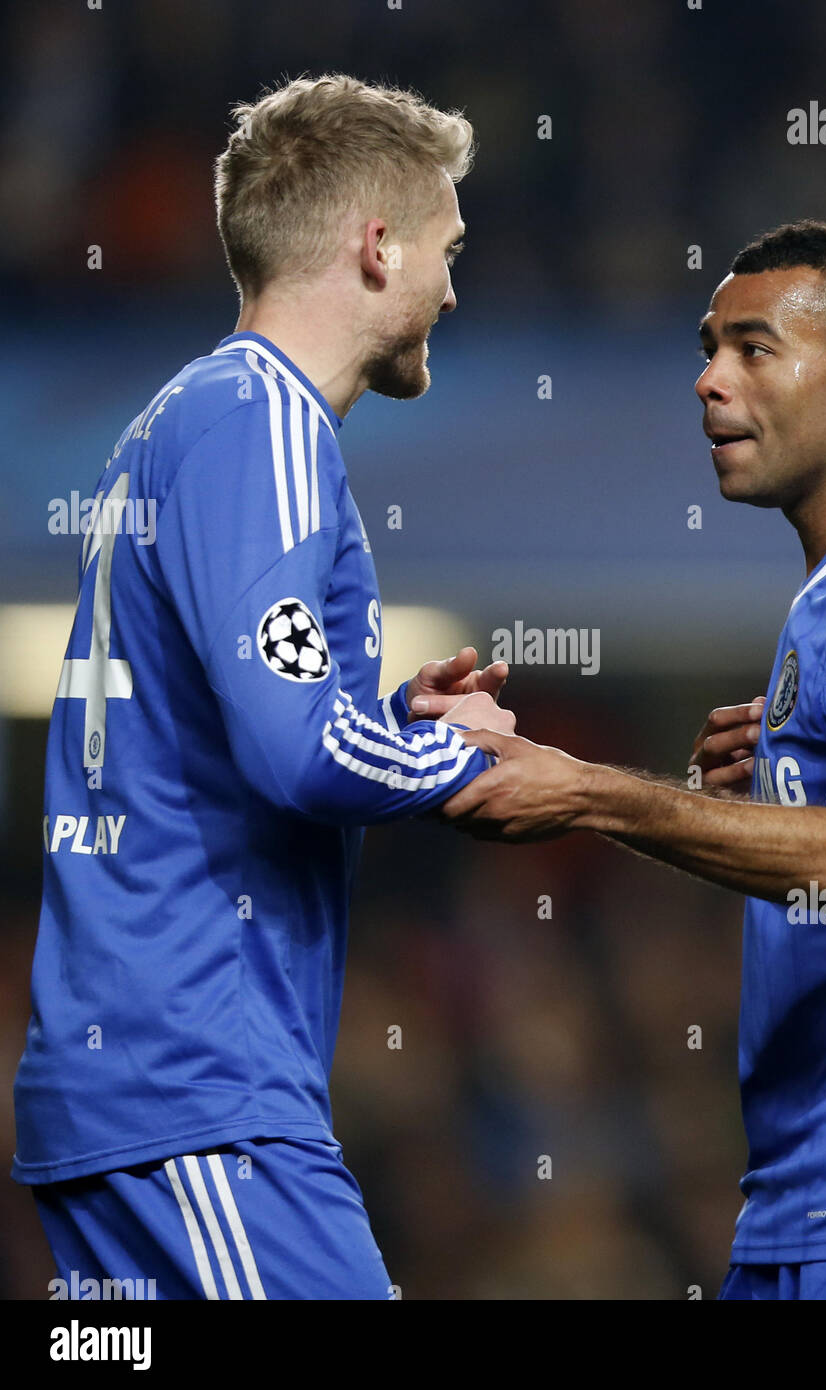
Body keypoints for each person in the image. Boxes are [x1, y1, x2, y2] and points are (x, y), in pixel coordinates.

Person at [440, 220, 826, 1301]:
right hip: (807, 1210)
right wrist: (781, 774)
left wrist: (586, 789)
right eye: (707, 346)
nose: (707, 381)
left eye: (752, 349)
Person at [12, 74, 512, 1301]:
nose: (453, 287)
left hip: (141, 1082)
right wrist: (471, 760)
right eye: (448, 250)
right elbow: (298, 754)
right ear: (378, 246)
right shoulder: (265, 425)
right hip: (197, 1084)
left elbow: (247, 730)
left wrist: (384, 722)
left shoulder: (182, 421)